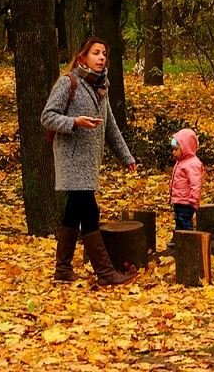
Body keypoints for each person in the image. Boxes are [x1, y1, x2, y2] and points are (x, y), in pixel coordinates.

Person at [41, 37, 138, 286]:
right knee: (90, 212)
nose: (102, 57)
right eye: (96, 53)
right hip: (72, 161)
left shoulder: (101, 87)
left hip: (89, 163)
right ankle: (105, 273)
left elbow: (111, 128)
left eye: (104, 53)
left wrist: (126, 157)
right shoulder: (68, 83)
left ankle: (62, 269)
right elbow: (47, 117)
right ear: (83, 57)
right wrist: (75, 122)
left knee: (73, 213)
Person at [167, 128, 204, 248]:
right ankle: (178, 238)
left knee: (185, 221)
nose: (173, 152)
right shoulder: (181, 162)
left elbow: (195, 183)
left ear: (185, 148)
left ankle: (190, 241)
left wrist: (194, 199)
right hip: (179, 199)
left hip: (186, 201)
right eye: (173, 149)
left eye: (176, 149)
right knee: (179, 220)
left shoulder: (192, 164)